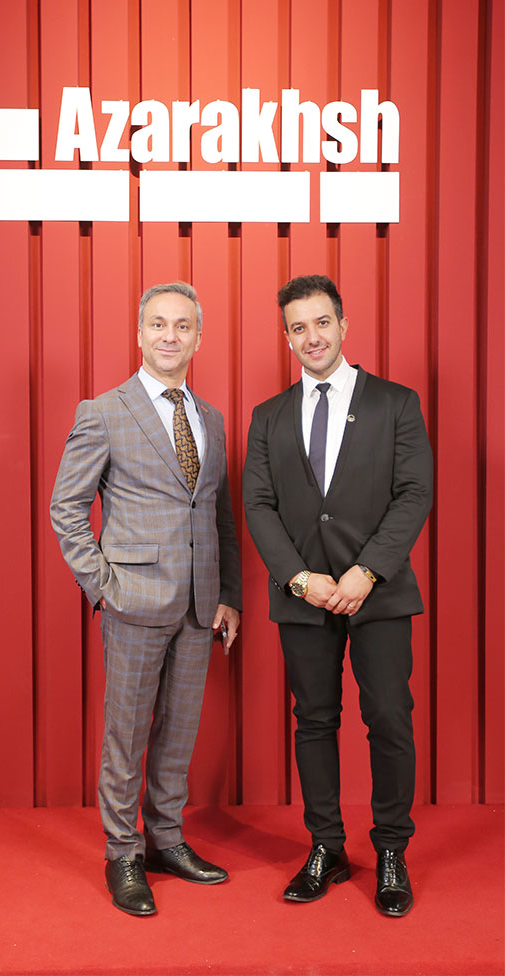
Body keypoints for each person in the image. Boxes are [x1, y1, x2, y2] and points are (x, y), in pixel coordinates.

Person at [243, 275, 433, 917]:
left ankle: (392, 851)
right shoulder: (267, 416)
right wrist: (300, 578)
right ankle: (326, 846)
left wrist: (366, 571)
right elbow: (258, 505)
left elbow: (415, 492)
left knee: (389, 718)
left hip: (378, 592)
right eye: (298, 327)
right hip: (304, 595)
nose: (312, 337)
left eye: (321, 322)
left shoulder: (395, 403)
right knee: (314, 721)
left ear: (343, 326)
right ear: (287, 337)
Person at [50, 281, 242, 917]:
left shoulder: (210, 418)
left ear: (198, 338)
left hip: (200, 605)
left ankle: (165, 839)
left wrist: (228, 594)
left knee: (179, 733)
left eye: (182, 326)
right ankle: (123, 852)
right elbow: (66, 508)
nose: (169, 336)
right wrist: (103, 586)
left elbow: (218, 516)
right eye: (158, 324)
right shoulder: (104, 412)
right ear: (139, 334)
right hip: (133, 601)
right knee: (126, 735)